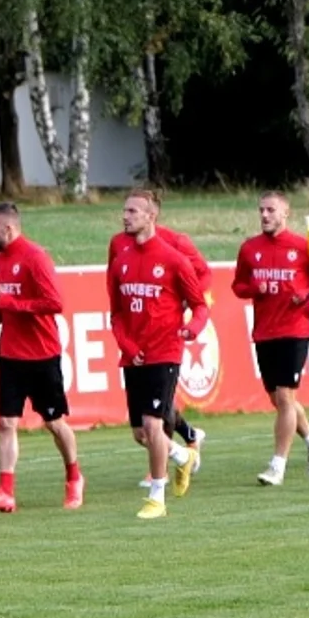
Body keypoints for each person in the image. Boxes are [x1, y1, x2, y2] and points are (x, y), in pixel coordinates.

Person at [108, 191, 209, 520]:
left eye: (133, 211)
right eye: (124, 210)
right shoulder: (120, 259)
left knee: (153, 425)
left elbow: (200, 306)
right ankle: (183, 457)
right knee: (141, 433)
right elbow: (117, 313)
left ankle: (157, 497)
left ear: (151, 216)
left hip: (165, 350)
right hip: (133, 355)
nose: (126, 216)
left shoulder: (173, 259)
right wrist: (128, 346)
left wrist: (191, 329)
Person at [0, 202, 84, 512]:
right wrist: (0, 315)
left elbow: (54, 302)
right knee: (6, 422)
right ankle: (5, 490)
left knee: (54, 422)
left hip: (42, 354)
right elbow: (9, 303)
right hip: (11, 354)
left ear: (8, 229)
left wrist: (13, 304)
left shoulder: (35, 257)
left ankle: (74, 477)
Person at [231, 191, 309, 486]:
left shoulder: (303, 246)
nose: (264, 215)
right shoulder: (250, 248)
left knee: (286, 397)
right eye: (261, 210)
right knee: (277, 399)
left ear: (286, 213)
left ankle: (278, 465)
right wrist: (253, 288)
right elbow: (238, 286)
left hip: (294, 330)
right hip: (264, 331)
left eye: (271, 210)